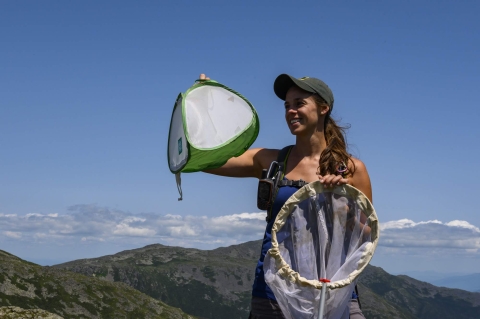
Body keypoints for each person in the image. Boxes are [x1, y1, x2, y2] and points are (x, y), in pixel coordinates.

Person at [202, 73, 371, 319]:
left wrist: (344, 209)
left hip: (333, 291)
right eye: (287, 106)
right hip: (272, 293)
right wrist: (206, 105)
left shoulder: (350, 169)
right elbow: (208, 161)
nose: (290, 111)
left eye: (299, 103)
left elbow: (367, 233)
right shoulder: (271, 161)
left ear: (324, 108)